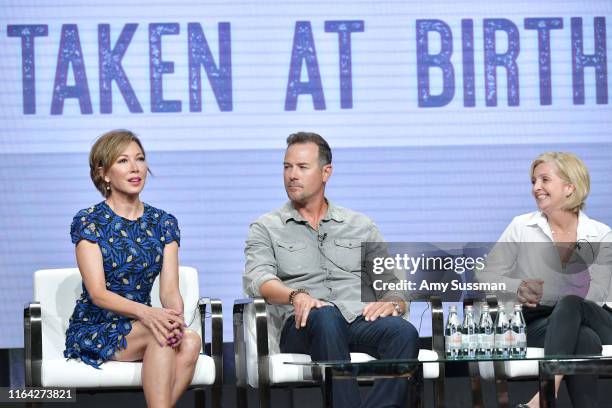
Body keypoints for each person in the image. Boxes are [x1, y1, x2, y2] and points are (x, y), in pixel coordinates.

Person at [244, 132, 419, 408]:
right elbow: (259, 280)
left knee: (403, 332)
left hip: (357, 320)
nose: (292, 175)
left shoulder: (360, 225)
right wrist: (295, 296)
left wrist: (393, 303)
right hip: (305, 326)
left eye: (302, 167)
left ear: (326, 172)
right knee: (326, 315)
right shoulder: (266, 227)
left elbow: (390, 282)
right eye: (287, 166)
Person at [64, 130, 201, 408]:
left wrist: (175, 319)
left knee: (190, 341)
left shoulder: (164, 222)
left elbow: (170, 290)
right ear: (104, 173)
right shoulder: (90, 221)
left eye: (140, 159)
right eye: (123, 161)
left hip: (144, 323)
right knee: (158, 333)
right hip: (97, 325)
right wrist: (149, 315)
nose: (135, 168)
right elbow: (98, 293)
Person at [478, 152, 612, 408]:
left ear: (570, 187)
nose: (536, 188)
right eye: (533, 181)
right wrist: (517, 287)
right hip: (540, 322)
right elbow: (484, 276)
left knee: (572, 304)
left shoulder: (600, 233)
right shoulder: (521, 226)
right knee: (583, 339)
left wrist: (551, 293)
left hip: (597, 318)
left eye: (544, 180)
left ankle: (543, 397)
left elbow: (596, 294)